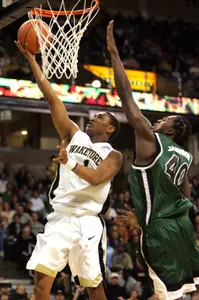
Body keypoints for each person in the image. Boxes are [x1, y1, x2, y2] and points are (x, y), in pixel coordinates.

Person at [15, 41, 123, 300]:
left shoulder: (114, 156)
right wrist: (32, 61)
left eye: (101, 117)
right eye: (94, 115)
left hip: (88, 222)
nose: (94, 117)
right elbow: (52, 98)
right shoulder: (73, 135)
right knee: (41, 284)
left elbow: (97, 179)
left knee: (94, 289)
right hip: (60, 217)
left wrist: (69, 163)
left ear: (110, 129)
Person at [107, 20, 199, 300]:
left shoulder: (151, 140)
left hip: (162, 229)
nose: (158, 121)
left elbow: (126, 96)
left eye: (165, 119)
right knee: (192, 289)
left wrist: (113, 52)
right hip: (183, 225)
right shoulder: (185, 155)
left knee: (164, 294)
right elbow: (186, 192)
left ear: (172, 130)